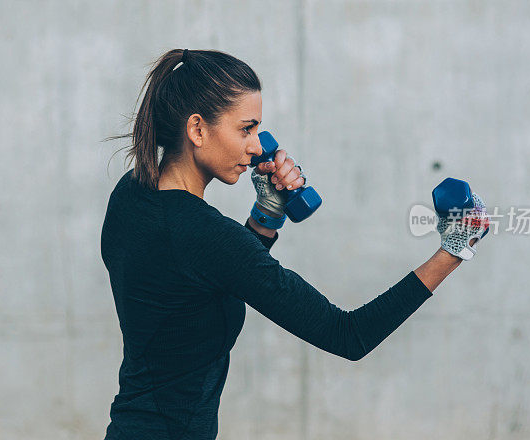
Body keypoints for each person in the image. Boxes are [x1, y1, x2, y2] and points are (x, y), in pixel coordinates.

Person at [101, 49, 488, 440]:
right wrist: (454, 249)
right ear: (198, 130)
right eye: (245, 129)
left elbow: (204, 282)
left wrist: (266, 216)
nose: (256, 147)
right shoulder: (205, 234)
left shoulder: (131, 195)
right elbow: (349, 335)